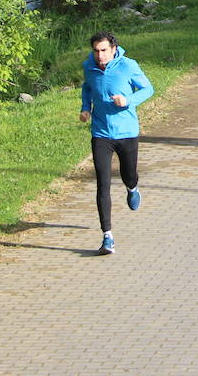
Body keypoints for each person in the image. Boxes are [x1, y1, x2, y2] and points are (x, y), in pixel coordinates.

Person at [80, 32, 154, 255]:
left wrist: (127, 101)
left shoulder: (128, 66)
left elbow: (148, 89)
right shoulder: (89, 66)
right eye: (96, 50)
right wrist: (85, 108)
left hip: (126, 132)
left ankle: (132, 188)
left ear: (113, 49)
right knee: (102, 182)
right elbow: (87, 87)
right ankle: (107, 237)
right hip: (101, 133)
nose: (99, 55)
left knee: (128, 174)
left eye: (103, 50)